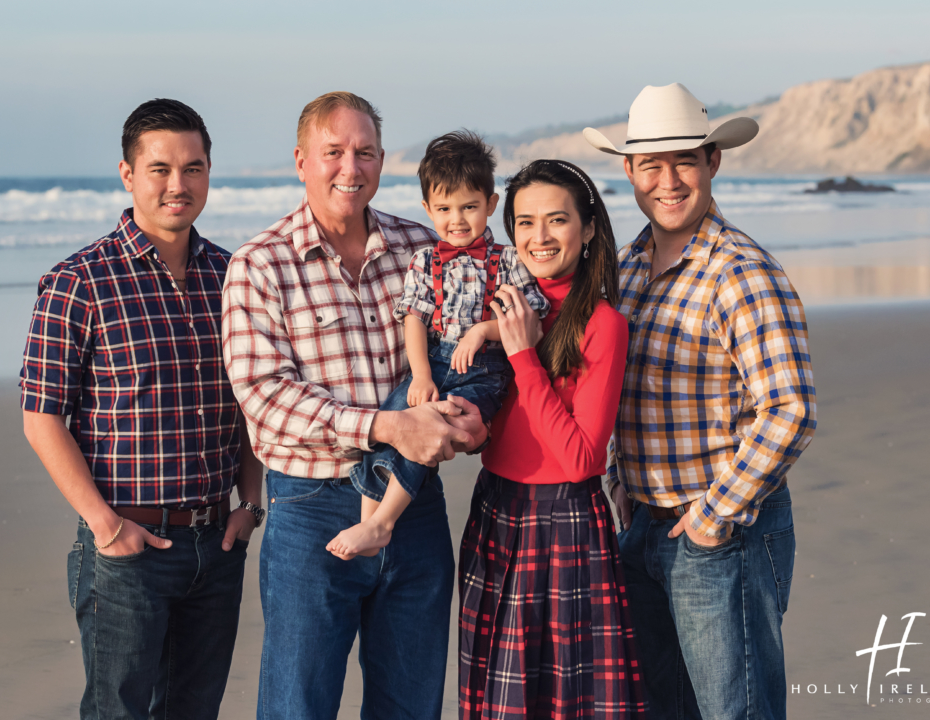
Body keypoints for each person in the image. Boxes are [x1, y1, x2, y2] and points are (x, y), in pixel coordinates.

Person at [221, 92, 487, 720]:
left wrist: (473, 419)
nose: (351, 167)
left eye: (364, 152)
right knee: (298, 704)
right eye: (334, 152)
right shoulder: (259, 265)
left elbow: (461, 357)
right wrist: (386, 425)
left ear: (382, 160)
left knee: (411, 703)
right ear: (301, 160)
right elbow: (264, 394)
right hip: (312, 507)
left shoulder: (423, 248)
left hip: (413, 506)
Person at [20, 98, 264, 720]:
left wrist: (249, 503)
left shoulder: (233, 277)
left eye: (193, 168)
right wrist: (104, 526)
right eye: (159, 169)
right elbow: (41, 415)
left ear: (209, 172)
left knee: (195, 711)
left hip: (218, 544)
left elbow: (252, 400)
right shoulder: (80, 281)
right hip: (127, 548)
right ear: (128, 174)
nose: (177, 185)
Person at [583, 83, 817, 719]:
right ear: (628, 170)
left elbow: (790, 409)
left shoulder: (741, 270)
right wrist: (618, 480)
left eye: (684, 160)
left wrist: (715, 516)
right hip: (643, 530)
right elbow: (619, 393)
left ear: (713, 161)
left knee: (735, 711)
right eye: (651, 165)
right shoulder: (624, 270)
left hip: (722, 536)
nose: (668, 180)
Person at [458, 160, 645, 719]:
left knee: (565, 705)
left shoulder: (603, 322)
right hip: (495, 511)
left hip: (564, 524)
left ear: (588, 229)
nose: (539, 238)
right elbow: (495, 428)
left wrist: (522, 354)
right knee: (495, 698)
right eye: (524, 222)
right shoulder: (504, 304)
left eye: (557, 220)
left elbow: (583, 458)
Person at [326, 130, 548, 560]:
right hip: (434, 363)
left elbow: (532, 325)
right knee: (395, 415)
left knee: (435, 427)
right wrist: (422, 375)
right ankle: (370, 519)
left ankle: (383, 522)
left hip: (484, 373)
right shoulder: (424, 261)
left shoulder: (508, 262)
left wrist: (483, 330)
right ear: (428, 209)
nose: (458, 219)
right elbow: (414, 320)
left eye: (469, 207)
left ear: (491, 203)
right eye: (444, 209)